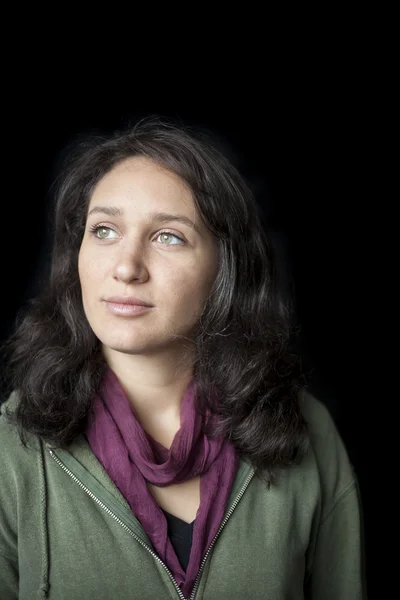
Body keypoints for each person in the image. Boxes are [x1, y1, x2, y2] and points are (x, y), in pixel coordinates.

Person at [0, 117, 367, 600]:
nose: (127, 267)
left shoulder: (307, 432)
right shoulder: (13, 444)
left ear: (225, 269)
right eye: (105, 230)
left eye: (168, 236)